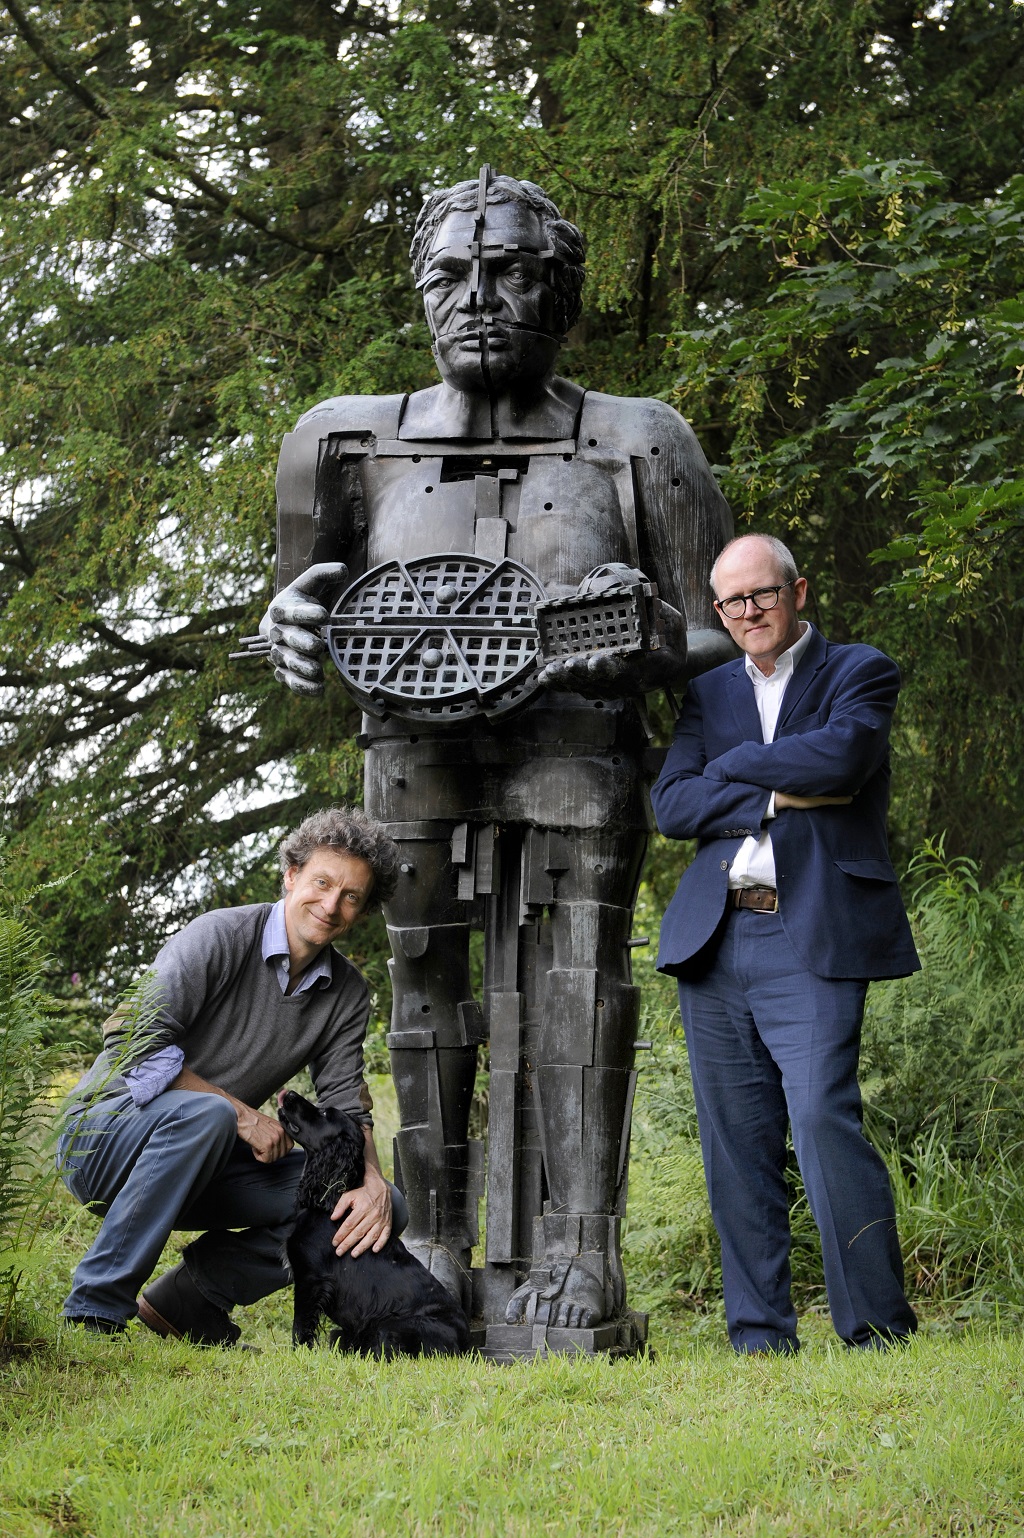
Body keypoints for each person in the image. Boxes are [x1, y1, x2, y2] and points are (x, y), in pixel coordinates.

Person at [260, 170, 734, 1345]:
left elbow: (719, 621)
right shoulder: (342, 439)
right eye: (451, 274)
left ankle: (583, 1248)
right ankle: (429, 1239)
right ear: (419, 291)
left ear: (560, 291)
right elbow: (296, 605)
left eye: (511, 271)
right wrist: (285, 628)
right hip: (412, 752)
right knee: (422, 984)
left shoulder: (638, 439)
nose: (478, 296)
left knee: (581, 986)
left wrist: (639, 641)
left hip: (577, 745)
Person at [651, 533, 920, 1354]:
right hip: (716, 935)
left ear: (797, 591)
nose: (747, 613)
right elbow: (671, 806)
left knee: (820, 1120)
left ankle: (876, 1330)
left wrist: (731, 773)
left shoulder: (859, 671)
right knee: (736, 1143)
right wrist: (777, 794)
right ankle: (761, 1335)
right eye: (731, 602)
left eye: (761, 595)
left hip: (812, 933)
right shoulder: (709, 692)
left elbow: (845, 753)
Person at [58, 806, 404, 1343]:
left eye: (351, 896)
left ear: (362, 909)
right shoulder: (218, 936)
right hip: (104, 1138)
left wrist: (373, 1182)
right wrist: (241, 1115)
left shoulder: (348, 993)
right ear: (290, 876)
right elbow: (130, 1036)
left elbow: (345, 1106)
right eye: (321, 883)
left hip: (204, 1158)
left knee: (375, 1205)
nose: (331, 905)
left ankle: (189, 1298)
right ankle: (93, 1311)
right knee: (211, 1116)